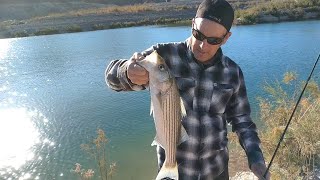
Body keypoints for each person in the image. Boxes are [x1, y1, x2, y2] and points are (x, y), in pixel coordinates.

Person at [105, 0, 271, 179]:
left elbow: (242, 121)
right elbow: (112, 78)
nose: (202, 46)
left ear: (226, 38)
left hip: (216, 172)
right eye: (198, 34)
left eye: (213, 40)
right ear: (192, 24)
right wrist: (126, 71)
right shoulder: (162, 57)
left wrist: (255, 158)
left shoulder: (232, 72)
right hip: (173, 173)